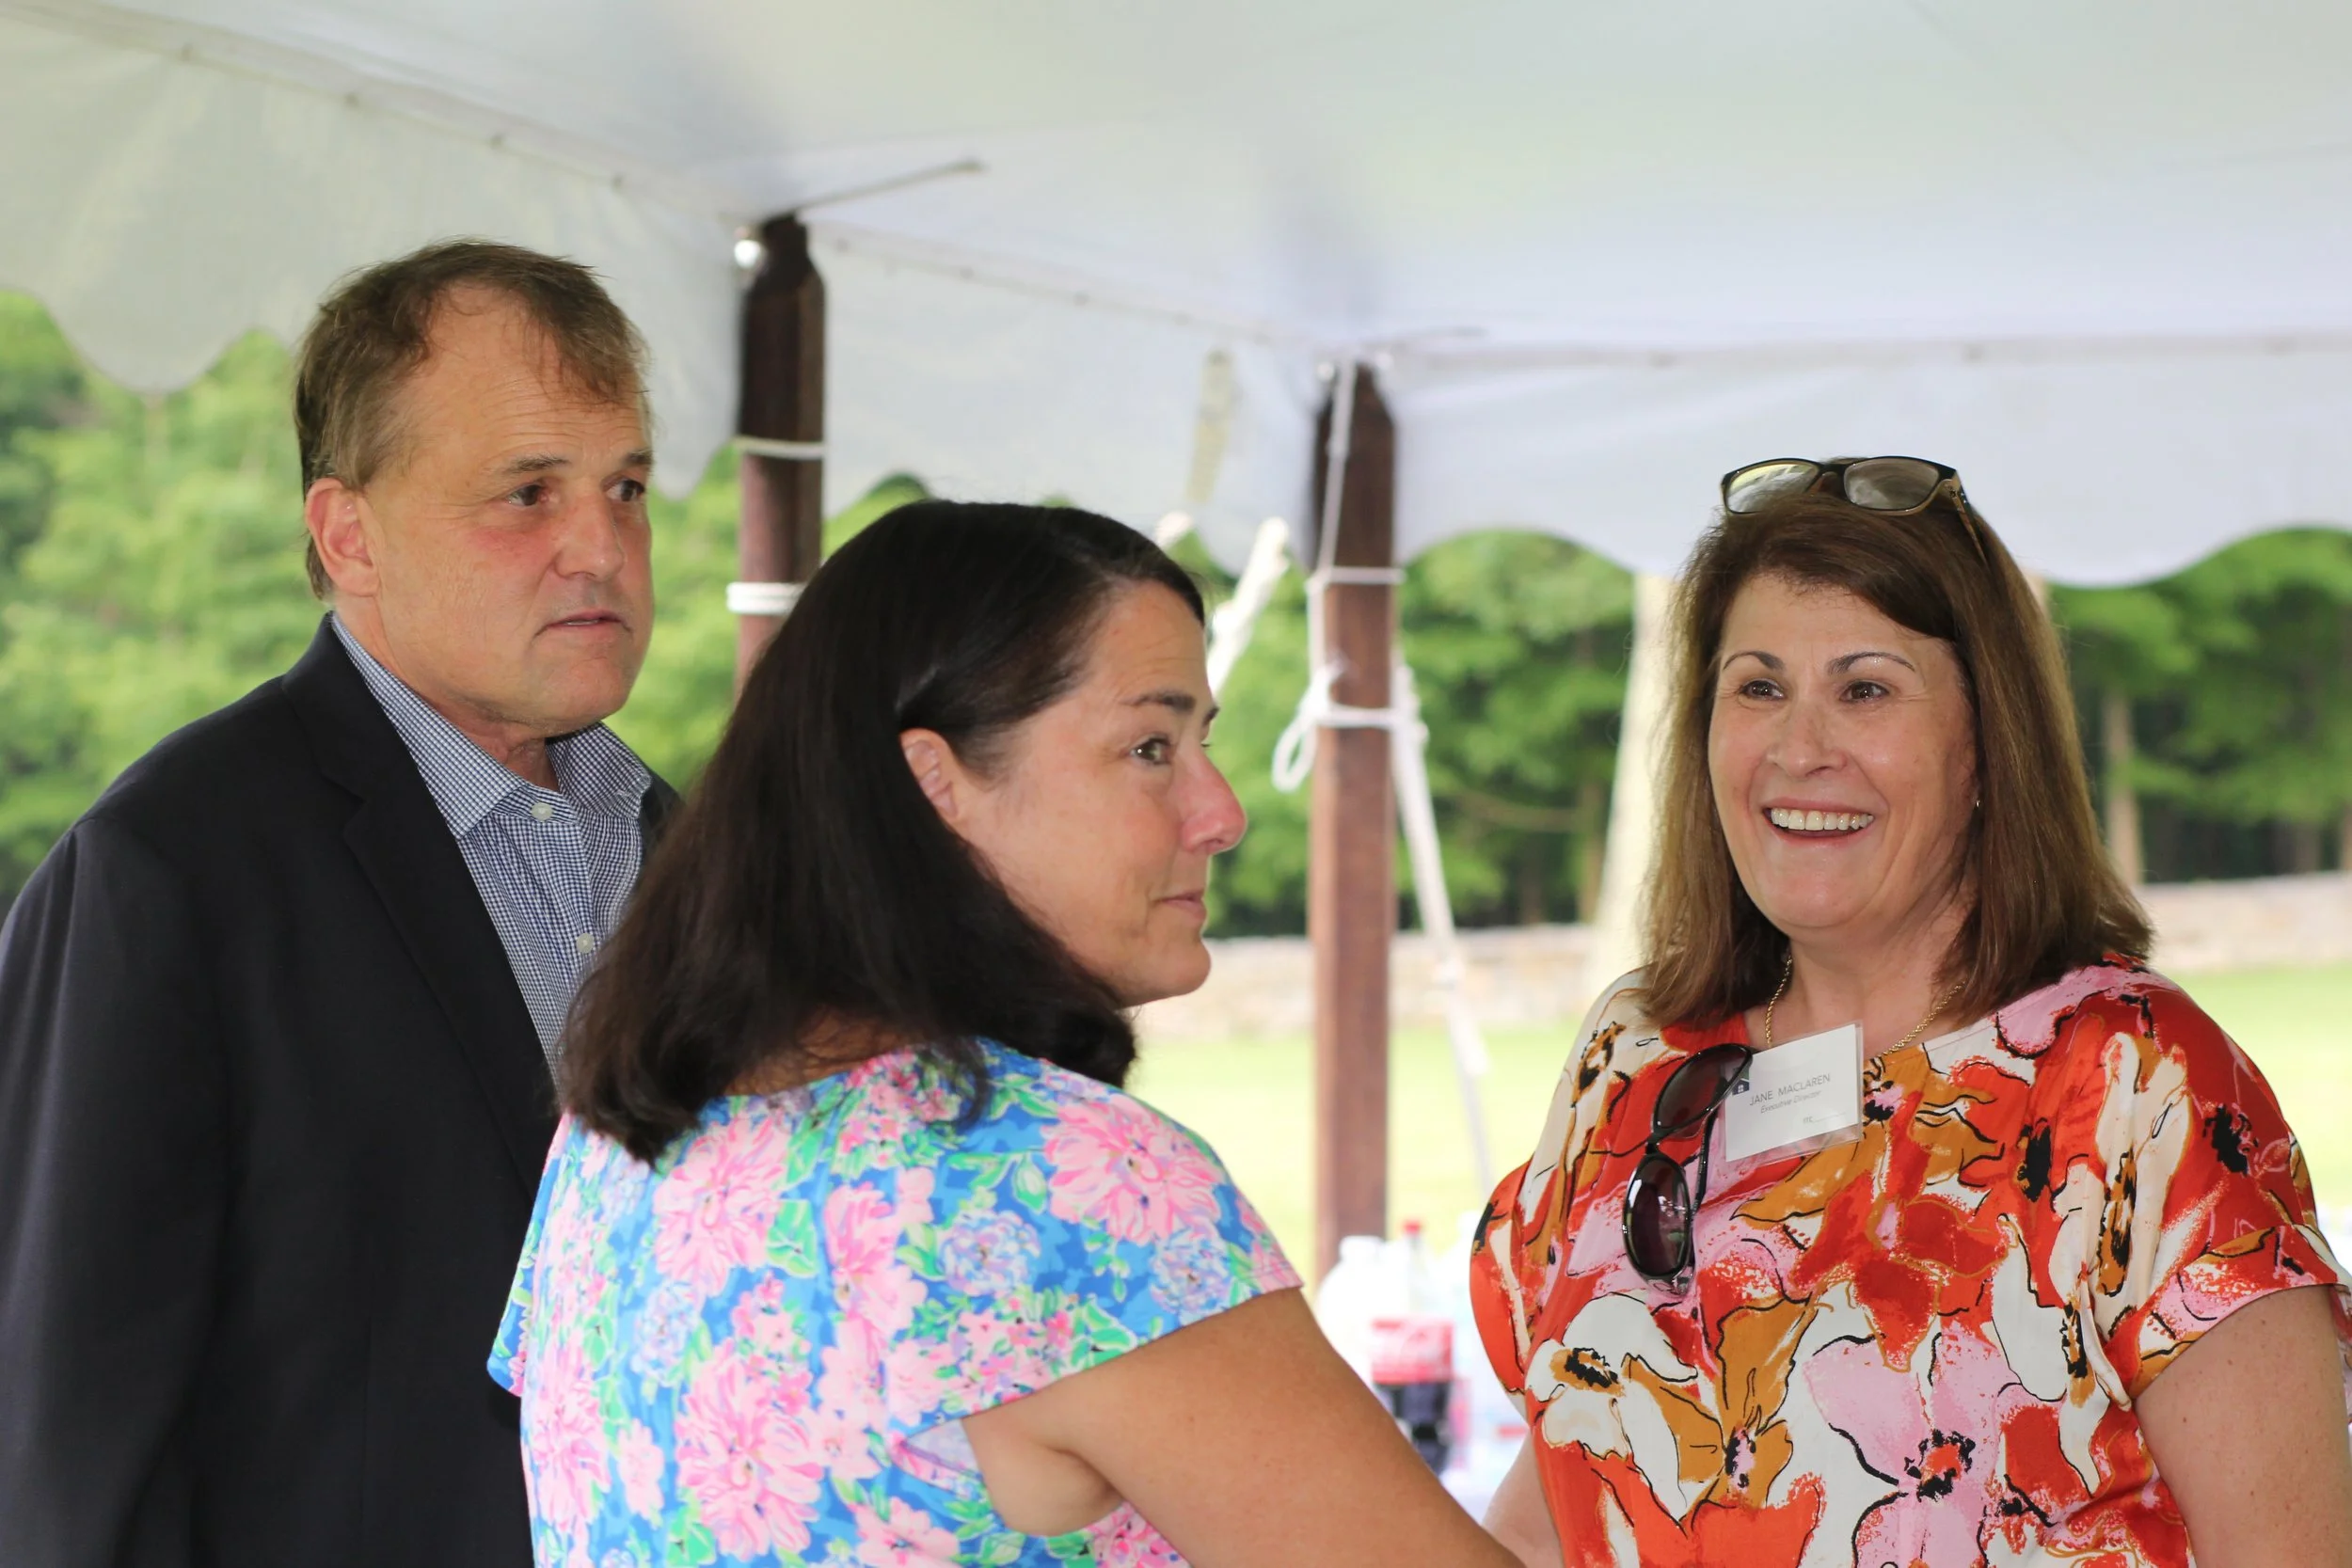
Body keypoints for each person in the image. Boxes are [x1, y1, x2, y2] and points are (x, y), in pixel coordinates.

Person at [490, 501, 1514, 1566]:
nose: (1219, 811)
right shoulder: (1068, 1186)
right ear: (938, 786)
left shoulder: (610, 1140)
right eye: (1150, 745)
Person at [1473, 457, 2352, 1568]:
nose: (1799, 749)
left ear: (1987, 743)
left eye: (1866, 688)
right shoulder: (1633, 1057)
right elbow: (1562, 1492)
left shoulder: (2135, 1086)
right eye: (1757, 686)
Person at [0, 240, 675, 1567]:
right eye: (528, 492)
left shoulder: (695, 855)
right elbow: (66, 1434)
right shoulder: (167, 872)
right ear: (347, 533)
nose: (600, 544)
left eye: (627, 486)